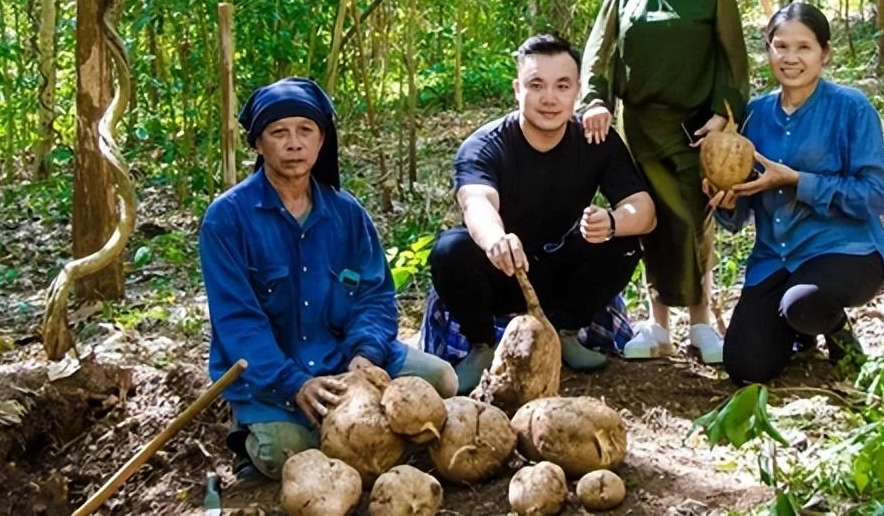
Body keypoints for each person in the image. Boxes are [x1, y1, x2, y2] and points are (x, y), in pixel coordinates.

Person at [199, 77, 457, 480]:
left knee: (442, 380)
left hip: (346, 358)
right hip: (274, 375)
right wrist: (294, 382)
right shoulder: (227, 219)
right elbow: (238, 321)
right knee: (284, 455)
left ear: (322, 140)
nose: (294, 144)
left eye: (306, 131)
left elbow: (374, 295)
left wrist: (365, 353)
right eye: (278, 133)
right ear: (257, 143)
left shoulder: (347, 213)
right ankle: (251, 426)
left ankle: (364, 434)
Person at [579, 0, 750, 365]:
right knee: (652, 221)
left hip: (698, 129)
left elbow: (734, 60)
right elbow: (600, 51)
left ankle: (701, 323)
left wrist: (724, 113)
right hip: (639, 129)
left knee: (694, 220)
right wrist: (595, 101)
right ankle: (656, 326)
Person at [427, 34, 656, 394]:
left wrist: (611, 222)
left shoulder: (595, 139)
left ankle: (567, 332)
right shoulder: (486, 144)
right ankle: (482, 346)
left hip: (561, 275)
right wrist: (496, 240)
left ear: (577, 91)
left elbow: (644, 211)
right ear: (518, 88)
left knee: (623, 241)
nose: (550, 98)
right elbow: (476, 201)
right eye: (537, 85)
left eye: (562, 86)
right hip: (500, 273)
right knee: (450, 251)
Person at [706, 3, 884, 383]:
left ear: (824, 54)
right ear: (768, 51)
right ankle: (797, 331)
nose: (790, 58)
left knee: (805, 304)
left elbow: (878, 195)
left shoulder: (851, 108)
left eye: (804, 48)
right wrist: (726, 201)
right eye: (780, 46)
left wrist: (797, 180)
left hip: (843, 251)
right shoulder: (755, 115)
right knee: (746, 367)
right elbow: (742, 211)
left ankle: (836, 331)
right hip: (774, 258)